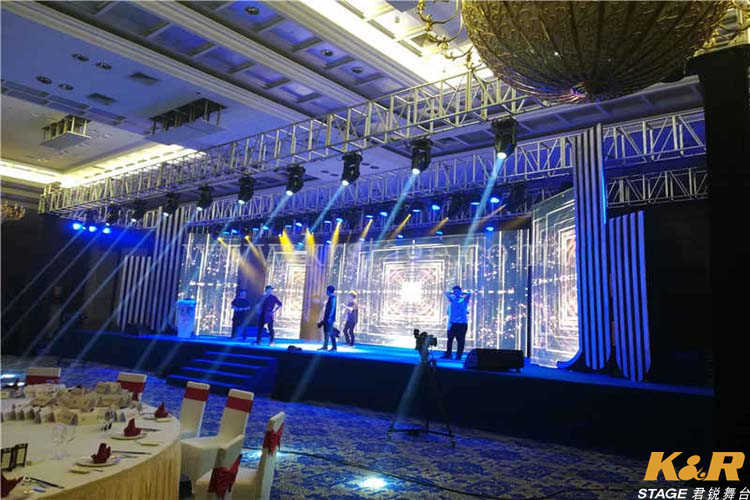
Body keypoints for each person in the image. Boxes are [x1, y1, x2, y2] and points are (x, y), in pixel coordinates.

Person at [441, 285, 472, 360]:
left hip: (462, 324)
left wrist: (462, 293)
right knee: (450, 340)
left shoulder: (464, 300)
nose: (456, 293)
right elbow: (446, 293)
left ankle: (459, 356)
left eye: (457, 291)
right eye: (454, 291)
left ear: (460, 291)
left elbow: (469, 293)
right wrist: (453, 293)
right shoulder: (452, 299)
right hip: (453, 323)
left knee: (460, 341)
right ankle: (448, 354)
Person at [317, 285, 337, 351]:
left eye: (327, 290)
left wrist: (330, 317)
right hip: (327, 318)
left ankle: (333, 347)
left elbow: (332, 308)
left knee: (330, 332)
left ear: (329, 290)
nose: (326, 292)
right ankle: (325, 346)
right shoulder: (330, 298)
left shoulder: (333, 298)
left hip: (329, 319)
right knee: (327, 332)